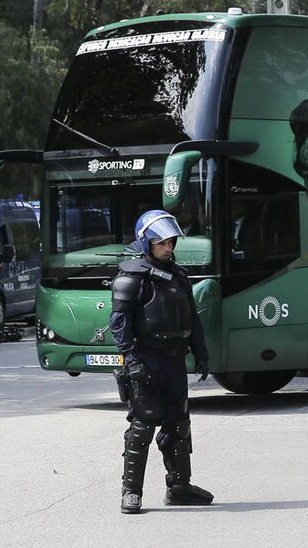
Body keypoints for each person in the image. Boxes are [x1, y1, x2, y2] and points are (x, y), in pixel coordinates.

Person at [111, 210, 214, 513]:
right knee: (142, 427)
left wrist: (202, 353)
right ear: (146, 243)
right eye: (161, 244)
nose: (168, 249)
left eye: (170, 243)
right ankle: (131, 492)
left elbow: (192, 318)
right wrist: (131, 361)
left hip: (175, 363)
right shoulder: (131, 278)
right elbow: (119, 324)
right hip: (147, 361)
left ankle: (179, 488)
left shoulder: (179, 276)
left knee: (178, 425)